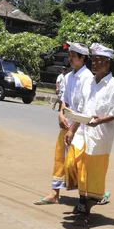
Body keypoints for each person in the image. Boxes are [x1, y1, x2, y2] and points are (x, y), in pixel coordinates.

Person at [64, 43, 114, 227]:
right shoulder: (89, 83)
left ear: (108, 63)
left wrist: (99, 121)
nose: (94, 64)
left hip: (100, 137)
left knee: (88, 173)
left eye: (99, 61)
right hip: (83, 131)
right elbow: (81, 109)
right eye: (94, 60)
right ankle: (86, 200)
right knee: (71, 163)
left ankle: (85, 207)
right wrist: (71, 129)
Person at [33, 43, 92, 205]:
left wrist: (73, 127)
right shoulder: (68, 77)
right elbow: (64, 100)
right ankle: (54, 193)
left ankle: (89, 194)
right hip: (66, 123)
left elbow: (84, 106)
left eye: (73, 56)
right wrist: (61, 114)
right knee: (60, 157)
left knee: (78, 160)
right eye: (69, 56)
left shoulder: (88, 79)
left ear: (82, 58)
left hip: (80, 126)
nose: (70, 59)